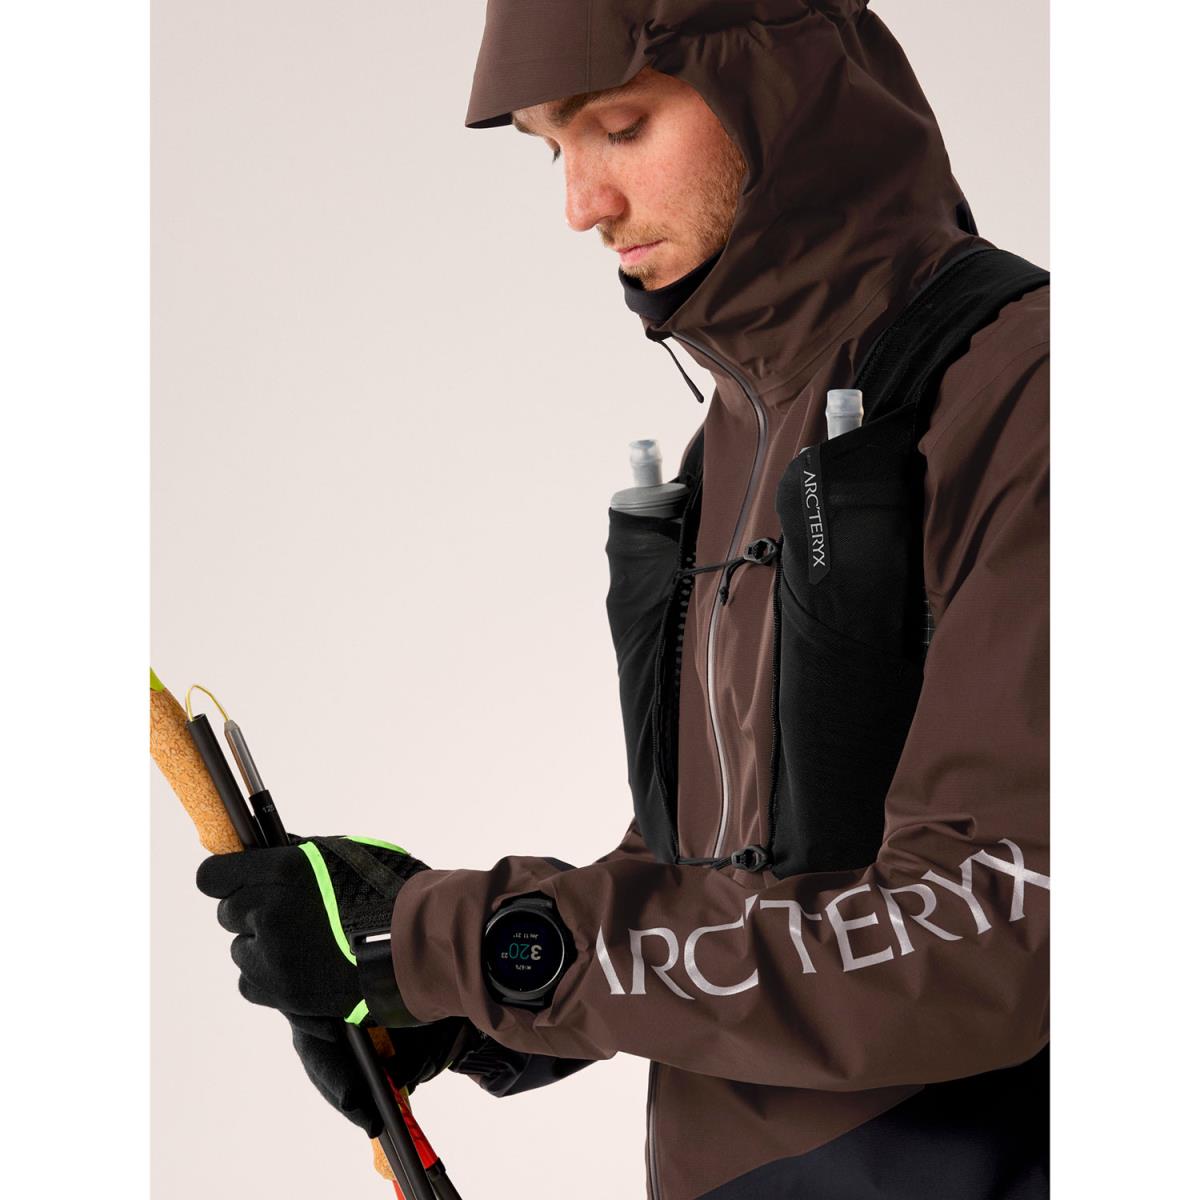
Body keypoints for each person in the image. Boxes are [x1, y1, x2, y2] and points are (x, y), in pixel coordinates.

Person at [197, 3, 1050, 1197]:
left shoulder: (1038, 396)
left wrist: (476, 946)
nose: (581, 204)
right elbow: (731, 884)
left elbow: (1002, 928)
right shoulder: (743, 434)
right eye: (553, 148)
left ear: (784, 85)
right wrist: (464, 1007)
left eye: (621, 126)